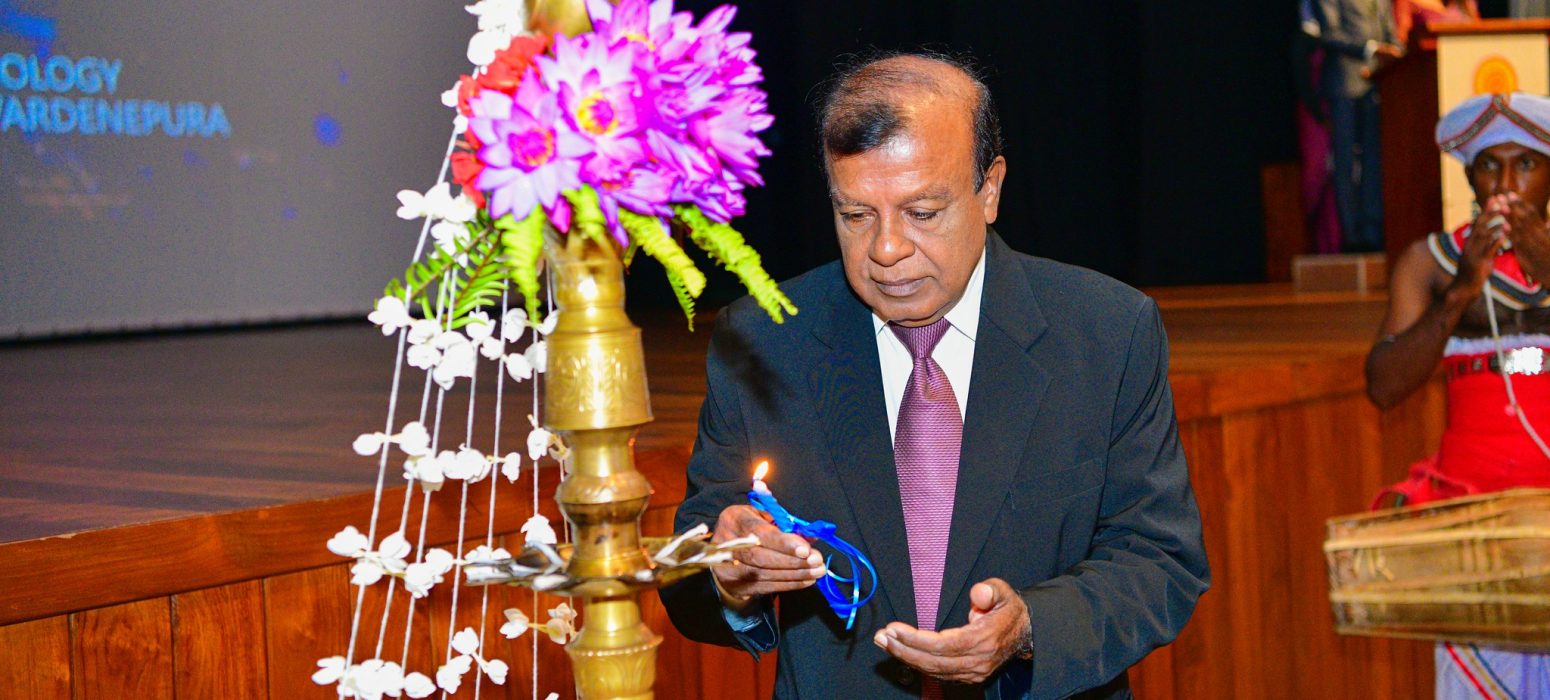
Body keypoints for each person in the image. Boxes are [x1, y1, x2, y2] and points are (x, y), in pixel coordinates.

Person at [659, 52, 1210, 700]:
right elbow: (688, 572)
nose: (886, 249)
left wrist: (1030, 628)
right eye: (855, 215)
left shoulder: (1106, 331)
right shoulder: (763, 342)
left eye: (921, 213)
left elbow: (1159, 561)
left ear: (990, 189)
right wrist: (726, 574)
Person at [1365, 91, 1550, 697]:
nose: (1506, 185)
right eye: (1489, 166)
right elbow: (1384, 387)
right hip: (1472, 517)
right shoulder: (1430, 263)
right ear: (1469, 177)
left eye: (1526, 164)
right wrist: (1462, 292)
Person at [1317, 0, 1403, 251]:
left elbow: (1390, 32)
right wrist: (1370, 49)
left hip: (1378, 83)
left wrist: (1395, 50)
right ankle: (1351, 234)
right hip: (1344, 83)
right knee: (1345, 161)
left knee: (1374, 161)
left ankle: (1372, 231)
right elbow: (1329, 33)